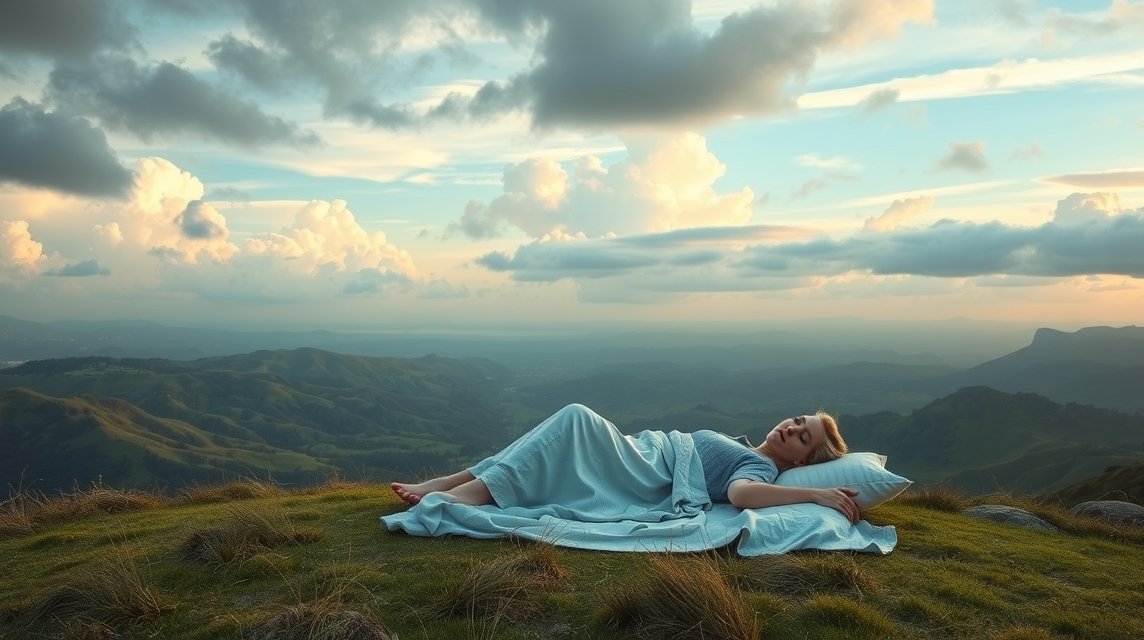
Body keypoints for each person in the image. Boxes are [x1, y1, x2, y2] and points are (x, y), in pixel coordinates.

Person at [390, 403, 861, 524]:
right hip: (645, 450)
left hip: (644, 471)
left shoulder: (762, 472)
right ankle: (451, 481)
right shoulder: (745, 445)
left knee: (575, 418)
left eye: (803, 438)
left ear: (803, 458)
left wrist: (815, 492)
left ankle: (465, 494)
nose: (792, 429)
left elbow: (740, 496)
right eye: (798, 420)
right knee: (549, 436)